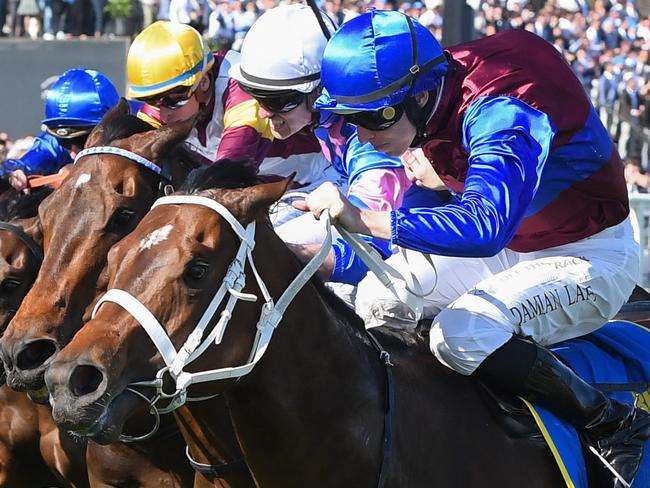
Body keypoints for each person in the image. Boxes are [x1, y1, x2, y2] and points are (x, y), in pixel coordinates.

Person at [296, 10, 650, 487]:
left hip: (590, 253)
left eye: (365, 119)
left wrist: (361, 219)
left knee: (460, 335)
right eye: (347, 119)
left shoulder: (504, 107)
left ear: (419, 96)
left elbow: (485, 227)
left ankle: (611, 421)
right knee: (380, 300)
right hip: (521, 242)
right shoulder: (432, 90)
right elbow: (426, 219)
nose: (360, 135)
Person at [229, 4, 449, 286]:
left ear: (321, 89)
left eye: (275, 101)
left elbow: (371, 246)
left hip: (430, 243)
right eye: (256, 97)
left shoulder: (370, 135)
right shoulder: (328, 123)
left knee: (277, 246)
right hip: (402, 222)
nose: (263, 113)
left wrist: (286, 259)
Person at [1, 68, 120, 192]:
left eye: (82, 139)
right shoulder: (54, 142)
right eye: (65, 142)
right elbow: (22, 165)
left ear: (110, 125)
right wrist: (12, 172)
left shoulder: (135, 133)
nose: (73, 153)